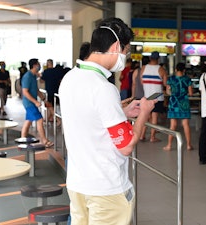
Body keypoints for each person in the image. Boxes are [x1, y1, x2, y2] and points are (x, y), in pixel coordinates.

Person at [58, 17, 155, 225]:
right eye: (125, 51)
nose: (125, 57)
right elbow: (126, 145)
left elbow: (88, 116)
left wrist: (121, 112)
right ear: (116, 46)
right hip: (105, 189)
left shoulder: (70, 78)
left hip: (77, 184)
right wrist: (144, 112)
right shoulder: (103, 88)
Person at [21, 58, 54, 148]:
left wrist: (44, 99)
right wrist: (35, 102)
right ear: (35, 65)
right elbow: (25, 92)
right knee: (39, 120)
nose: (39, 65)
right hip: (29, 103)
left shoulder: (33, 76)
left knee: (28, 121)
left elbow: (36, 90)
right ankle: (44, 140)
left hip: (31, 102)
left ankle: (22, 139)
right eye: (38, 64)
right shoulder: (27, 77)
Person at [163, 62, 193, 151]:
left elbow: (168, 92)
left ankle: (169, 145)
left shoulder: (171, 79)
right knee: (185, 124)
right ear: (184, 70)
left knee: (173, 125)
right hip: (184, 103)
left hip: (174, 103)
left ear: (176, 69)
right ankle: (188, 145)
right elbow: (190, 93)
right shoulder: (187, 79)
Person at [140, 51, 168, 142]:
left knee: (146, 116)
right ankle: (152, 137)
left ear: (150, 58)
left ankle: (142, 135)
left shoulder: (143, 68)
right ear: (158, 59)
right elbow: (165, 84)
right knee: (154, 116)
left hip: (147, 96)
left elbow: (142, 82)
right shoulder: (161, 69)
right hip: (157, 97)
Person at [41, 59, 64, 125]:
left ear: (47, 64)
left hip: (49, 91)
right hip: (56, 91)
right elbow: (61, 80)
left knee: (49, 106)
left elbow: (41, 81)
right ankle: (48, 118)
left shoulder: (46, 71)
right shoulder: (57, 71)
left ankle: (58, 120)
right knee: (51, 106)